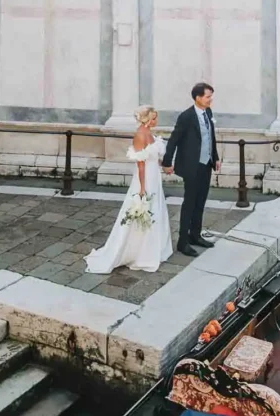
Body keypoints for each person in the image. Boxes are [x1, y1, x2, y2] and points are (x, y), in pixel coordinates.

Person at [84, 105, 173, 273]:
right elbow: (141, 164)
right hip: (146, 178)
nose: (156, 121)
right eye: (154, 118)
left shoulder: (149, 133)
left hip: (154, 175)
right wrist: (142, 188)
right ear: (146, 119)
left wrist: (165, 166)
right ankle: (140, 252)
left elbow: (151, 156)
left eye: (156, 118)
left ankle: (155, 248)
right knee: (144, 209)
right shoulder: (140, 135)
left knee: (156, 209)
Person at [163, 82, 220, 257]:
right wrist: (167, 162)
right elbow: (174, 140)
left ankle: (195, 235)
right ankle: (183, 241)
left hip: (206, 164)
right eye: (208, 96)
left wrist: (215, 157)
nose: (211, 99)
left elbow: (211, 136)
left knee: (201, 201)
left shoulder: (208, 112)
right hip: (191, 166)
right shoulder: (186, 117)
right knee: (190, 202)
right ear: (198, 98)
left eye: (211, 96)